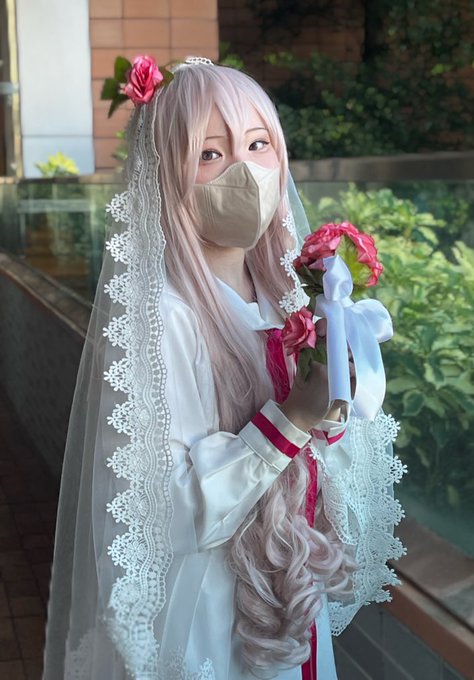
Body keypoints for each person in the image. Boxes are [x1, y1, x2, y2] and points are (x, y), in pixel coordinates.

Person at [42, 57, 405, 680]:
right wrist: (292, 419)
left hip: (292, 588)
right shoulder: (163, 317)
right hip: (212, 610)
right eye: (210, 154)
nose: (246, 171)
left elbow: (329, 460)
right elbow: (167, 509)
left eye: (258, 144)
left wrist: (335, 395)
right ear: (167, 175)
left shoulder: (288, 294)